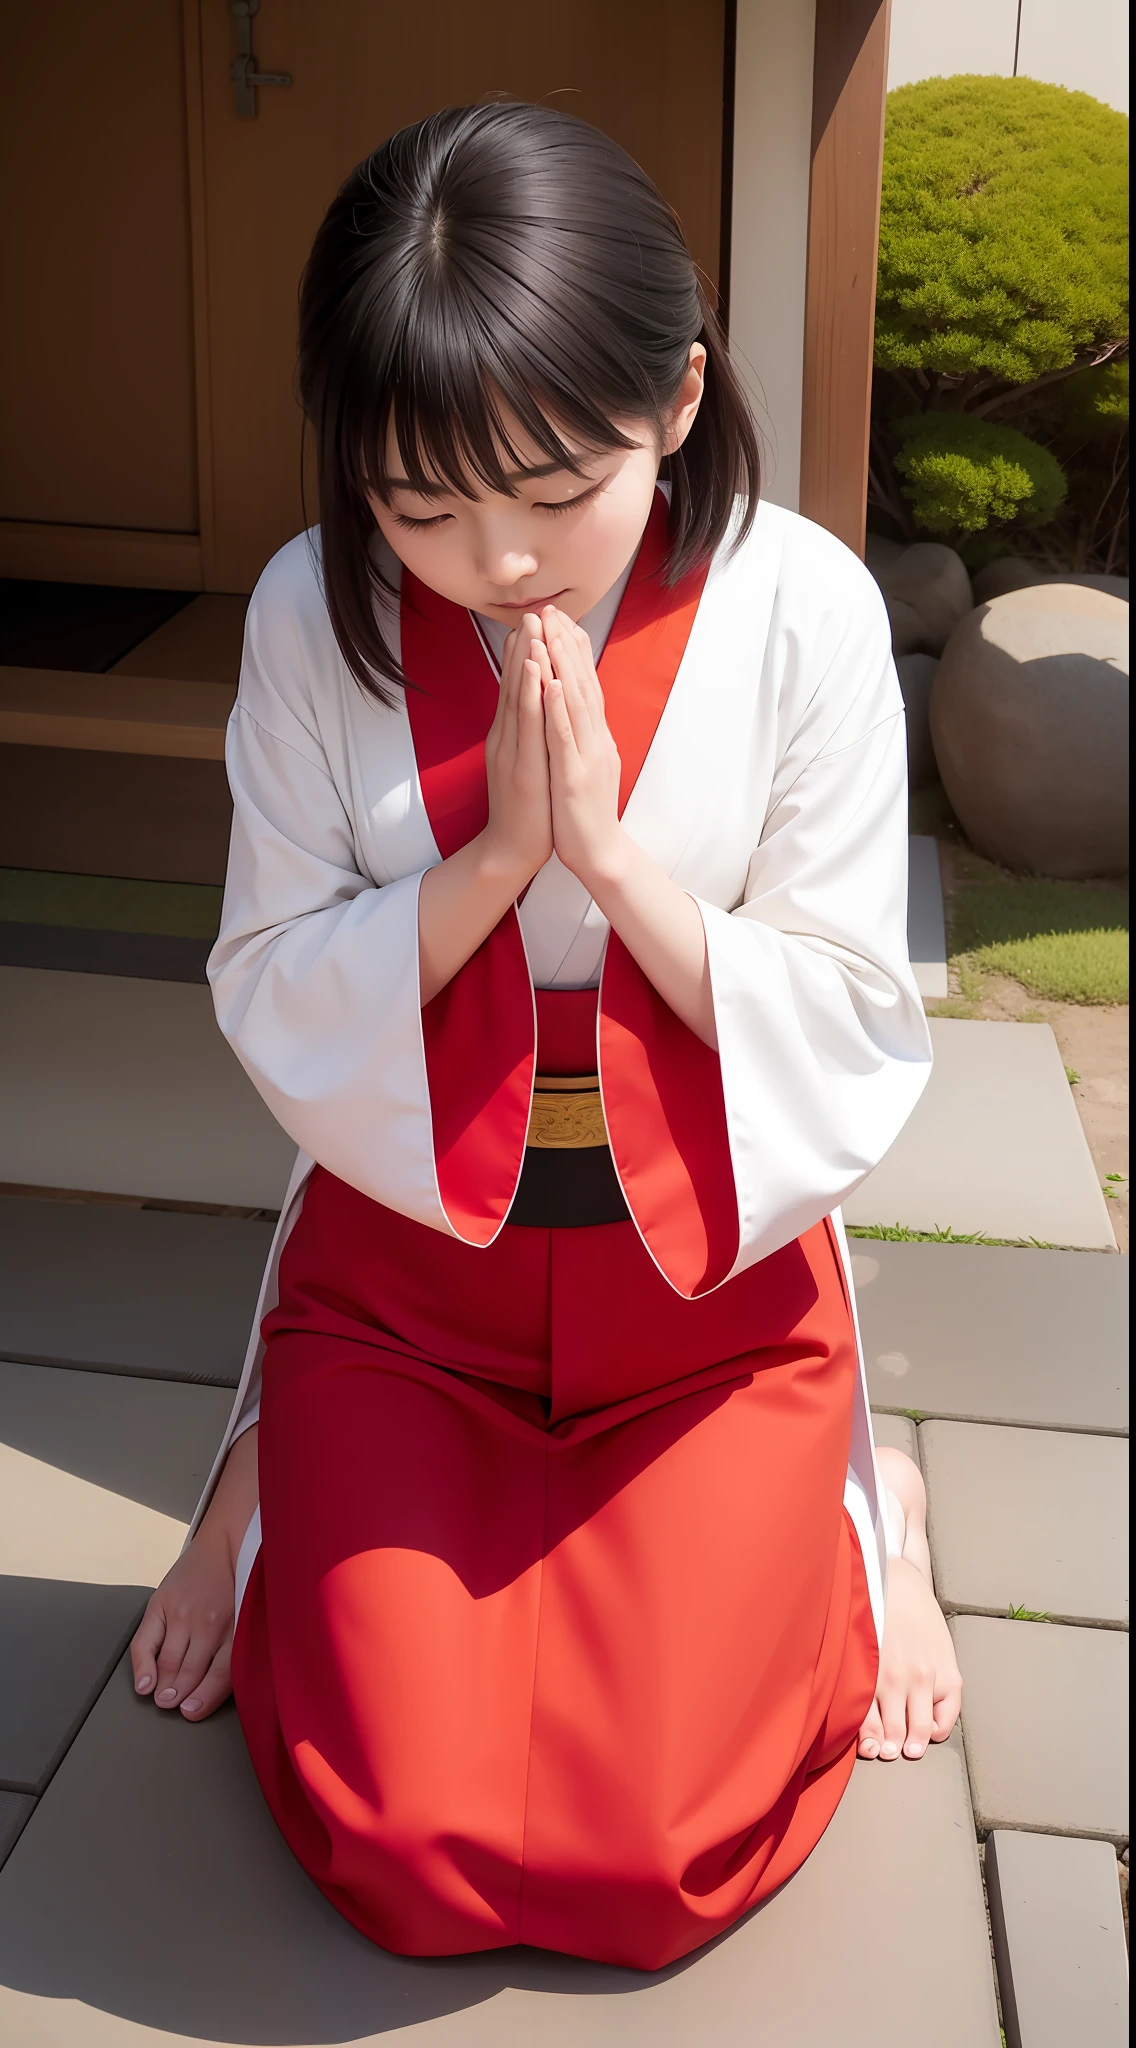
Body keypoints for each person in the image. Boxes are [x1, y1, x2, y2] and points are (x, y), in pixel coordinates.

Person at [129, 102, 961, 1970]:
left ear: (674, 402)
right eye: (418, 507)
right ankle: (270, 1466)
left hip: (709, 1312)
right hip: (413, 1285)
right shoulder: (304, 614)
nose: (496, 562)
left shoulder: (801, 610)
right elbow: (269, 973)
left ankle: (865, 1502)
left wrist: (604, 857)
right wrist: (503, 852)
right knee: (405, 1840)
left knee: (655, 1853)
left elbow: (845, 1006)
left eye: (552, 490)